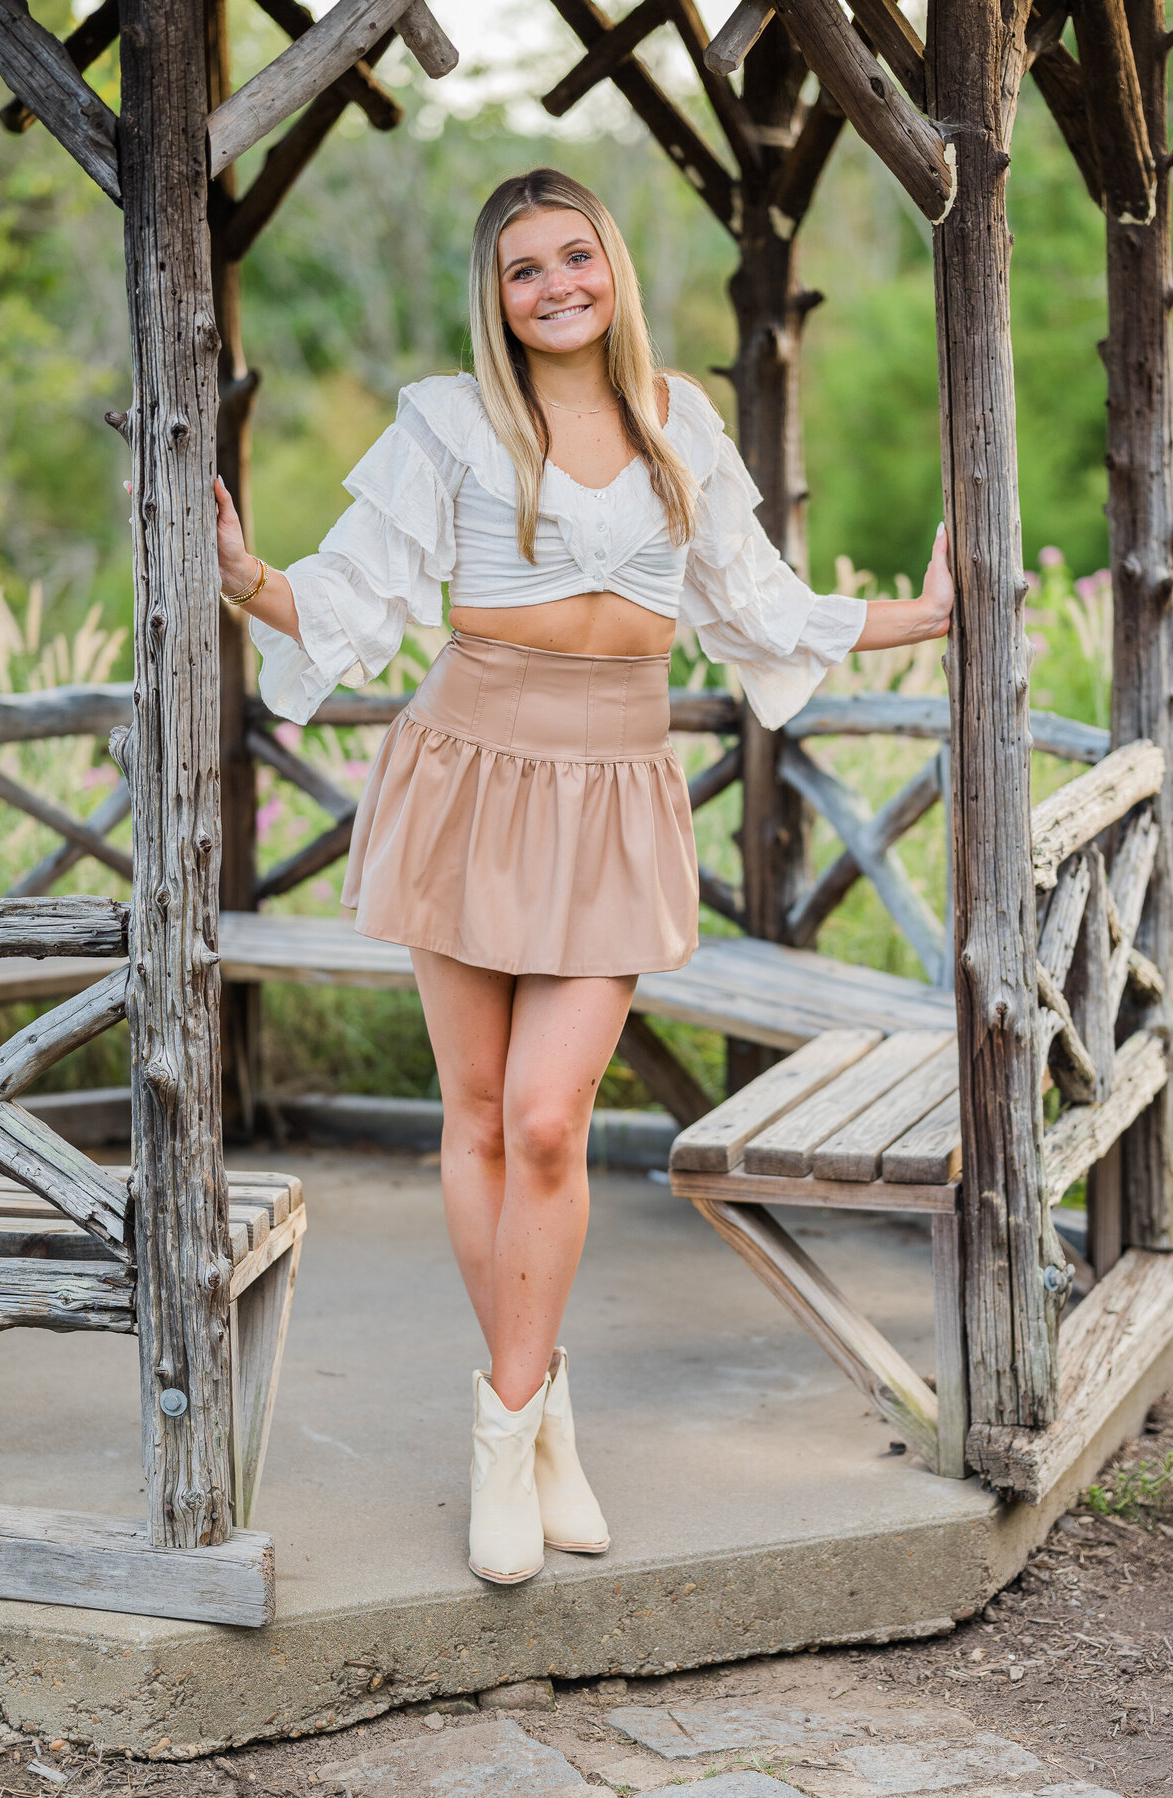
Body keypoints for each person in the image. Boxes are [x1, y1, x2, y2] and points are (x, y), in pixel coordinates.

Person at [214, 168, 954, 1588]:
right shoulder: (450, 421)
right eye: (522, 271)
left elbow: (755, 603)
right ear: (494, 299)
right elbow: (357, 594)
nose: (555, 286)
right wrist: (253, 579)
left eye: (574, 258)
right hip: (469, 770)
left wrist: (923, 610)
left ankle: (513, 1409)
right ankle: (528, 1427)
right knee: (482, 1116)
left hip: (615, 788)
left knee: (553, 1123)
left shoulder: (683, 422)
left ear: (610, 265)